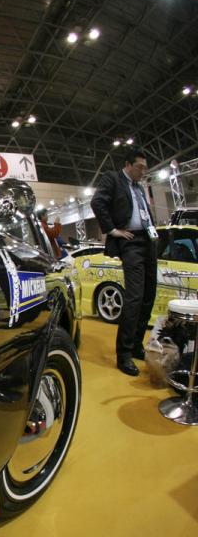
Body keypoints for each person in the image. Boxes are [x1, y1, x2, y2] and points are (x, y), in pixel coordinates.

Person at [91, 149, 157, 376]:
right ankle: (124, 354)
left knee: (148, 295)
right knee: (134, 297)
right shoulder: (113, 178)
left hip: (149, 241)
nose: (143, 171)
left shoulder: (139, 187)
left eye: (145, 168)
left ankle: (137, 344)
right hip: (131, 242)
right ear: (128, 164)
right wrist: (112, 230)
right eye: (140, 167)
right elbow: (97, 202)